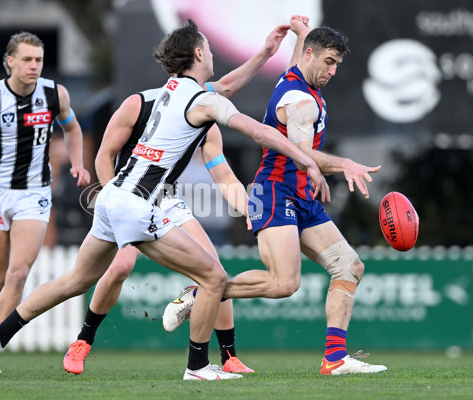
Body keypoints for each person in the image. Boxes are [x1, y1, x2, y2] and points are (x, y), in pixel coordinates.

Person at [0, 18, 326, 381]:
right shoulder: (200, 100)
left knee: (75, 280)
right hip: (138, 204)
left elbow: (225, 87)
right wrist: (306, 161)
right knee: (213, 277)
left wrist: (266, 53)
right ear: (199, 52)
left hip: (113, 197)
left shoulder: (171, 90)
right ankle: (198, 366)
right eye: (208, 47)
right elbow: (256, 130)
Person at [63, 17, 314, 376]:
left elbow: (222, 172)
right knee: (120, 266)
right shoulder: (139, 104)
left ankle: (227, 356)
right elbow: (104, 157)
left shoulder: (202, 107)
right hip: (127, 199)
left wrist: (250, 210)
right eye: (207, 51)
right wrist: (114, 204)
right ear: (193, 58)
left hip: (166, 199)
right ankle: (83, 341)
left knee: (214, 271)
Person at [163, 21, 387, 375]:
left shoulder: (295, 77)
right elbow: (305, 154)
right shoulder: (299, 100)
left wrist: (299, 36)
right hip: (274, 193)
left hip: (301, 195)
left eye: (337, 65)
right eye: (328, 61)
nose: (331, 71)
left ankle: (335, 358)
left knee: (349, 266)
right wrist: (344, 164)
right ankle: (201, 293)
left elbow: (298, 64)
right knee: (285, 283)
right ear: (311, 55)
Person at [0, 31, 90, 373]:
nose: (34, 66)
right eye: (26, 59)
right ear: (10, 61)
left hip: (35, 194)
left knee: (18, 272)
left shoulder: (55, 94)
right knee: (0, 280)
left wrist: (78, 162)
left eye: (38, 60)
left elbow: (72, 128)